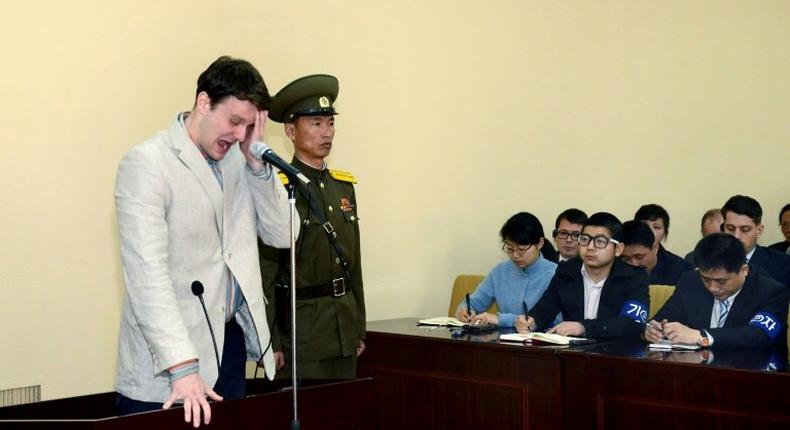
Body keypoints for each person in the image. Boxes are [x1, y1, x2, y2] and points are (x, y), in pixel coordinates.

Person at [114, 56, 294, 426]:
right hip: (167, 361)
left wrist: (259, 169)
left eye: (249, 125)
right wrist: (182, 367)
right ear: (203, 102)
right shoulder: (147, 165)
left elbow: (282, 234)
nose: (242, 135)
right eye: (234, 121)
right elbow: (147, 278)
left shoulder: (241, 160)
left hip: (226, 347)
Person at [259, 74, 365, 379]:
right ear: (291, 131)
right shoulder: (277, 190)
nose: (326, 132)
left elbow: (354, 264)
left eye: (330, 123)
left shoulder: (343, 187)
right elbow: (266, 273)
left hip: (343, 327)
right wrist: (271, 341)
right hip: (301, 334)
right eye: (316, 123)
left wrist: (358, 325)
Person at [516, 212, 649, 340]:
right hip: (574, 354)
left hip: (618, 354)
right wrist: (531, 321)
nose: (590, 247)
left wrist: (584, 327)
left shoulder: (634, 277)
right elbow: (545, 309)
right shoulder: (567, 271)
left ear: (618, 249)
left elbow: (632, 323)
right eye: (585, 239)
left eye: (600, 241)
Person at [645, 234, 789, 348]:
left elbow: (759, 334)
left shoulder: (771, 292)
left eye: (721, 281)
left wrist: (702, 337)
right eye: (706, 279)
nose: (712, 287)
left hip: (755, 375)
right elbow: (664, 317)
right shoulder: (691, 281)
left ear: (743, 270)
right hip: (699, 372)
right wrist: (652, 329)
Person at [455, 212, 558, 328]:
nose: (515, 255)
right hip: (503, 343)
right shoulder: (500, 271)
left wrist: (502, 320)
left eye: (521, 249)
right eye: (510, 248)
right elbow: (473, 303)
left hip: (537, 344)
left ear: (540, 243)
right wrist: (465, 311)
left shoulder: (556, 274)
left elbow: (557, 322)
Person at [720, 195, 790, 288]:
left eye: (745, 229)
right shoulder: (708, 260)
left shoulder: (782, 264)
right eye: (730, 228)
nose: (736, 236)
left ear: (759, 230)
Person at [621, 220, 692, 285]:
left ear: (654, 248)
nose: (634, 264)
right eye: (626, 259)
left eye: (639, 257)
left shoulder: (682, 272)